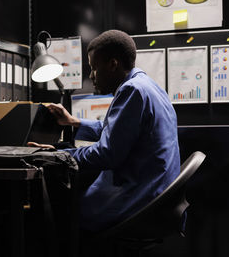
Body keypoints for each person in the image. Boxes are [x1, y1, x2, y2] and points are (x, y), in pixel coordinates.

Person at [33, 29, 180, 232]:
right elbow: (121, 131)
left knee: (55, 215)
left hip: (139, 198)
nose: (92, 76)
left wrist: (59, 155)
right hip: (157, 194)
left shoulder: (132, 91)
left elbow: (107, 153)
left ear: (113, 64)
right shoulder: (149, 87)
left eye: (94, 68)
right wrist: (75, 122)